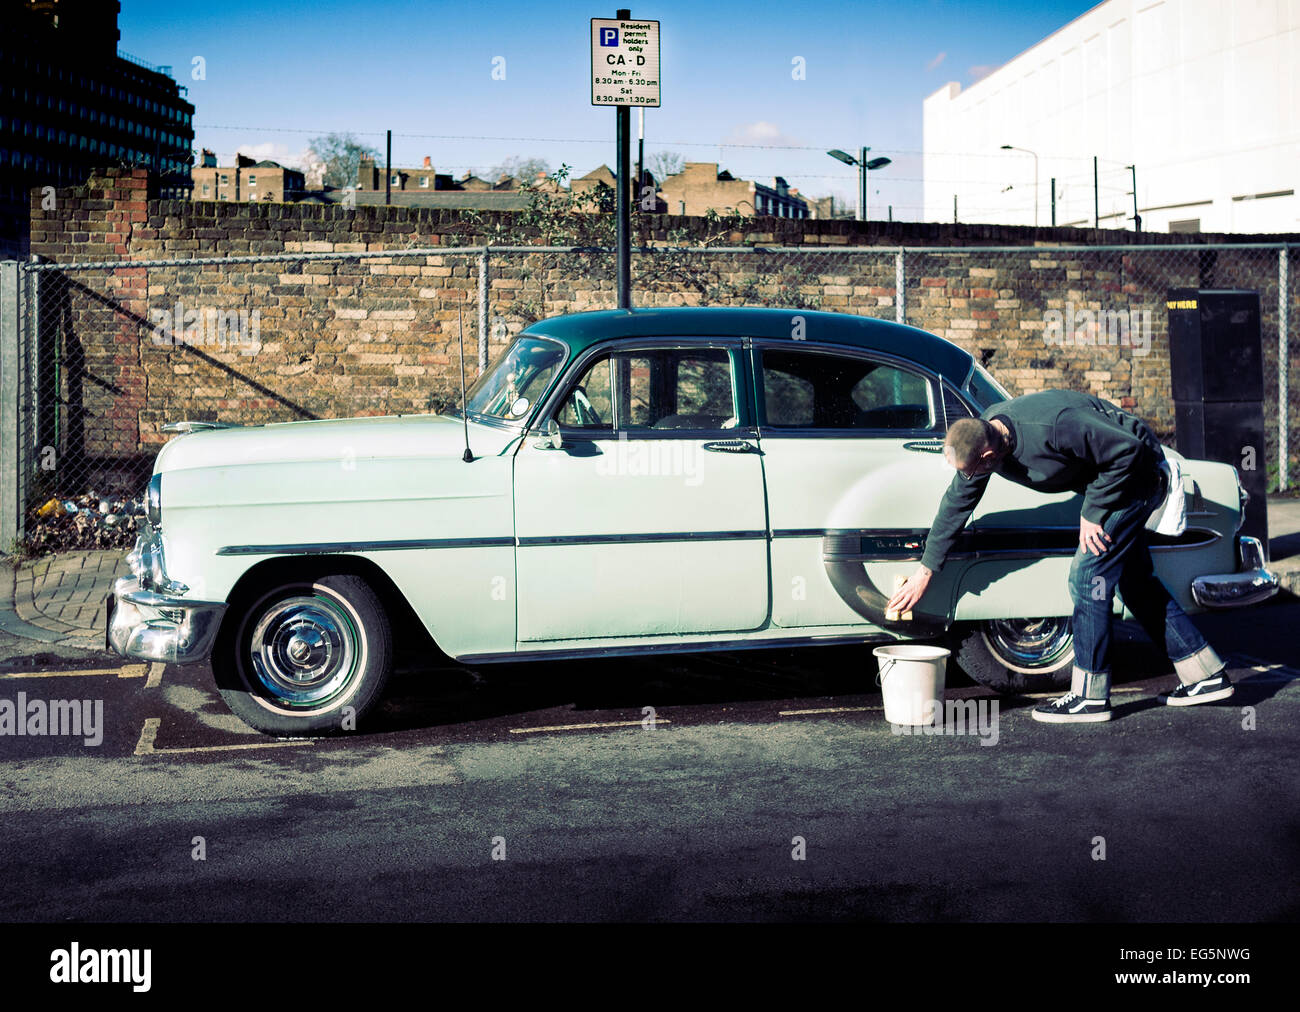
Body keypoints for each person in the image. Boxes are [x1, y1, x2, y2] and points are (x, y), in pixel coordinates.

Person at [885, 390, 1233, 723]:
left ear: (988, 457)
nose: (969, 478)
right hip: (1111, 480)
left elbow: (1127, 450)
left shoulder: (1053, 426)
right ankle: (1206, 675)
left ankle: (1090, 698)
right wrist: (926, 572)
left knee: (1087, 577)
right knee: (1135, 582)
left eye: (972, 470)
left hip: (1136, 475)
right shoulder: (983, 436)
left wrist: (1093, 512)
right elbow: (957, 502)